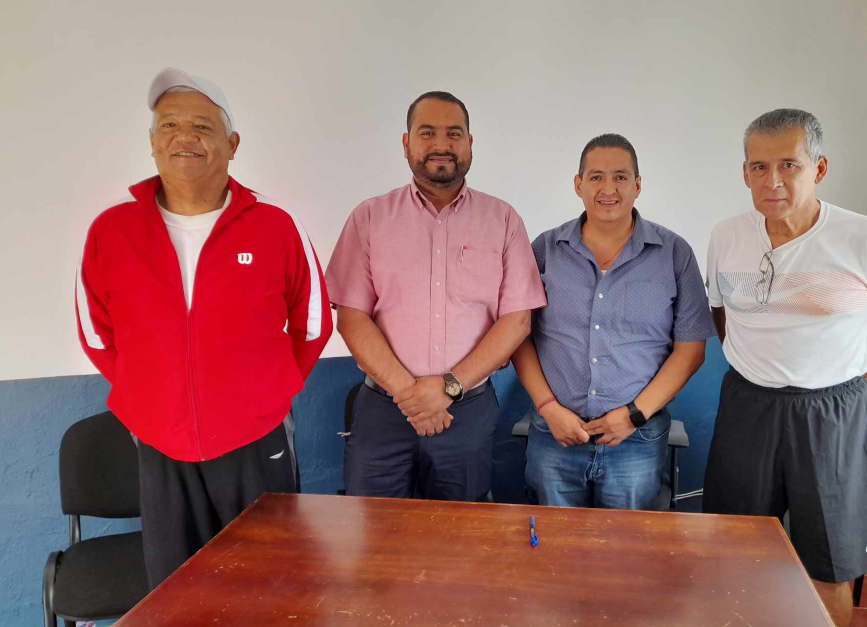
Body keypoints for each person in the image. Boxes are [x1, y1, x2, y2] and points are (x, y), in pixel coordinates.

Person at [75, 67, 332, 588]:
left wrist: (269, 394)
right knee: (177, 590)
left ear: (232, 144)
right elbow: (97, 334)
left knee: (270, 582)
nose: (184, 136)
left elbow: (312, 323)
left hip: (256, 441)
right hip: (161, 444)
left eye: (202, 126)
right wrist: (150, 395)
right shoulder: (112, 231)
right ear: (151, 143)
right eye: (168, 125)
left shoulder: (275, 226)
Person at [702, 108, 867, 626]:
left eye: (788, 165)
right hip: (748, 406)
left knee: (831, 563)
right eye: (758, 167)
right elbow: (721, 316)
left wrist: (843, 381)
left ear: (818, 169)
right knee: (737, 549)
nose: (772, 181)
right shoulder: (727, 235)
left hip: (831, 413)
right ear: (744, 171)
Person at [326, 91, 546, 501]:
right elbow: (351, 316)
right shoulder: (369, 217)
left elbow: (516, 320)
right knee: (376, 539)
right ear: (406, 142)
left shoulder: (503, 220)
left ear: (469, 144)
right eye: (427, 133)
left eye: (453, 134)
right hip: (383, 412)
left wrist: (446, 388)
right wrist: (411, 396)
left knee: (459, 545)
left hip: (466, 413)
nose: (441, 145)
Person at [512, 133, 714, 510]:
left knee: (628, 557)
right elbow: (519, 336)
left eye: (621, 177)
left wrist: (634, 415)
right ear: (578, 185)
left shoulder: (673, 253)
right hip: (554, 436)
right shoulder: (544, 250)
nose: (609, 189)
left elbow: (690, 351)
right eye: (596, 177)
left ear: (638, 185)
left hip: (636, 440)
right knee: (554, 554)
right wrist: (549, 409)